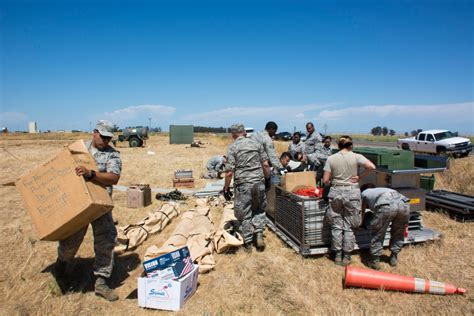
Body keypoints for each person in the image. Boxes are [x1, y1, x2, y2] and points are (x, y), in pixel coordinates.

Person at [55, 120, 122, 301]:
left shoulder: (112, 155)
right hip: (79, 203)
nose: (106, 141)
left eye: (109, 138)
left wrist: (91, 174)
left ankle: (101, 282)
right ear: (95, 132)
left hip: (101, 205)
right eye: (103, 136)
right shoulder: (78, 149)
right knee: (71, 240)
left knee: (106, 241)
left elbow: (113, 178)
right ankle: (60, 268)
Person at [323, 135, 376, 266]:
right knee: (349, 226)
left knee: (336, 225)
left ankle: (337, 255)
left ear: (339, 146)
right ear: (351, 145)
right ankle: (347, 256)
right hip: (352, 192)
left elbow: (325, 180)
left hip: (336, 191)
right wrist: (359, 177)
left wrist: (333, 182)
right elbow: (371, 166)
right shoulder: (356, 156)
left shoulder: (331, 158)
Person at [223, 123, 270, 252]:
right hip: (258, 183)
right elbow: (265, 165)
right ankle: (259, 233)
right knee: (259, 209)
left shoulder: (232, 148)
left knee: (244, 212)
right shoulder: (256, 144)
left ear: (233, 134)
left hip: (243, 185)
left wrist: (225, 188)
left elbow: (229, 172)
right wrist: (267, 179)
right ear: (244, 132)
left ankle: (248, 242)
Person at [360, 183, 410, 270]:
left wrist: (360, 224)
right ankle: (393, 257)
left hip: (387, 204)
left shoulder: (364, 193)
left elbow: (362, 212)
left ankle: (374, 261)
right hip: (404, 203)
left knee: (378, 232)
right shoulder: (382, 190)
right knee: (399, 232)